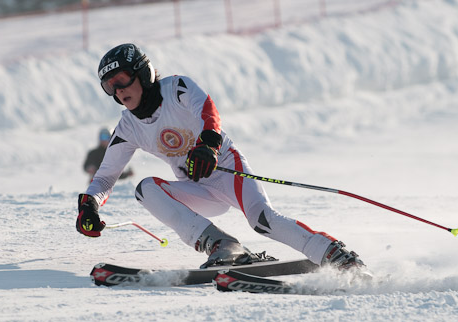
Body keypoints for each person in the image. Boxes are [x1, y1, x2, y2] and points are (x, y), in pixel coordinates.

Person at [76, 43, 365, 269]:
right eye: (109, 86)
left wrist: (208, 146)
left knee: (263, 220)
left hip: (227, 169)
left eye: (122, 79)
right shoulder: (127, 128)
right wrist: (89, 205)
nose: (118, 90)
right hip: (198, 189)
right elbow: (105, 177)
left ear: (143, 73)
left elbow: (208, 110)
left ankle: (335, 254)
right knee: (145, 189)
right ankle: (221, 245)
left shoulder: (176, 88)